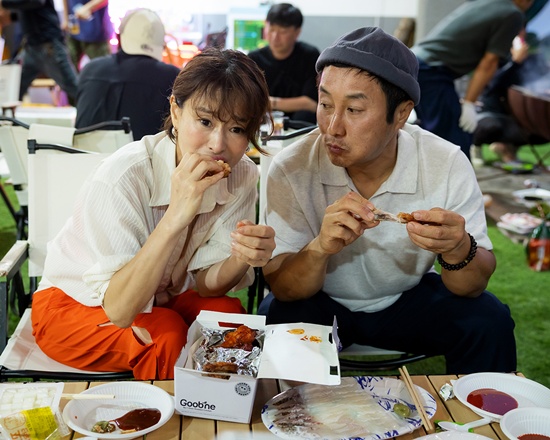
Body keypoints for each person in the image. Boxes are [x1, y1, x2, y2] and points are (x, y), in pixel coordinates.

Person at [262, 27, 517, 375]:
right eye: (325, 104)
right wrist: (319, 248)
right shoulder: (292, 167)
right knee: (276, 315)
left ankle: (477, 410)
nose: (333, 127)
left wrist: (458, 247)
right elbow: (284, 287)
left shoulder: (444, 162)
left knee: (489, 320)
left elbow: (471, 286)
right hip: (320, 303)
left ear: (401, 114)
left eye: (354, 109)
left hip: (406, 297)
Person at [31, 47, 276, 380]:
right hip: (75, 305)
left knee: (228, 316)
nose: (218, 144)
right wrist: (176, 215)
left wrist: (242, 256)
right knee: (165, 333)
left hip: (162, 298)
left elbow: (207, 286)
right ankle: (171, 413)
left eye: (237, 129)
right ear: (176, 110)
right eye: (205, 121)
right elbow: (120, 310)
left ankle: (223, 403)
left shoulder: (242, 173)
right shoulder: (123, 176)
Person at [411, 0, 533, 159]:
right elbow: (489, 62)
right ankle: (453, 176)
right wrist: (469, 103)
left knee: (434, 135)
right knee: (453, 140)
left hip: (416, 63)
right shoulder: (513, 13)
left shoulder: (486, 3)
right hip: (431, 70)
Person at [75, 8, 179, 140]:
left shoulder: (90, 70)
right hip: (140, 153)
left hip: (83, 152)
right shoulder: (171, 78)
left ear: (120, 37)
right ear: (160, 44)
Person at [473, 32, 550, 168]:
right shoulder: (496, 56)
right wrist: (515, 62)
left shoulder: (531, 59)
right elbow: (491, 85)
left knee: (541, 133)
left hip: (514, 117)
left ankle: (507, 149)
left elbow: (537, 81)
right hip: (489, 113)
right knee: (491, 126)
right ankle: (475, 147)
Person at [248, 3, 319, 124]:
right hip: (263, 121)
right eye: (271, 29)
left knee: (305, 115)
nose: (275, 37)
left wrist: (271, 103)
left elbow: (311, 104)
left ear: (297, 33)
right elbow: (249, 99)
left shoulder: (309, 56)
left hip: (297, 122)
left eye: (283, 31)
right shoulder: (254, 58)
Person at [0, 0, 78, 102]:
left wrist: (4, 3)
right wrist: (11, 15)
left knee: (74, 88)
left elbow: (37, 1)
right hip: (31, 47)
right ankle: (7, 112)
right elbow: (28, 11)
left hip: (48, 46)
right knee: (13, 89)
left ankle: (94, 109)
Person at [62, 0, 113, 71]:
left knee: (102, 69)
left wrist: (88, 7)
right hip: (73, 27)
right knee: (71, 68)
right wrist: (65, 18)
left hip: (95, 30)